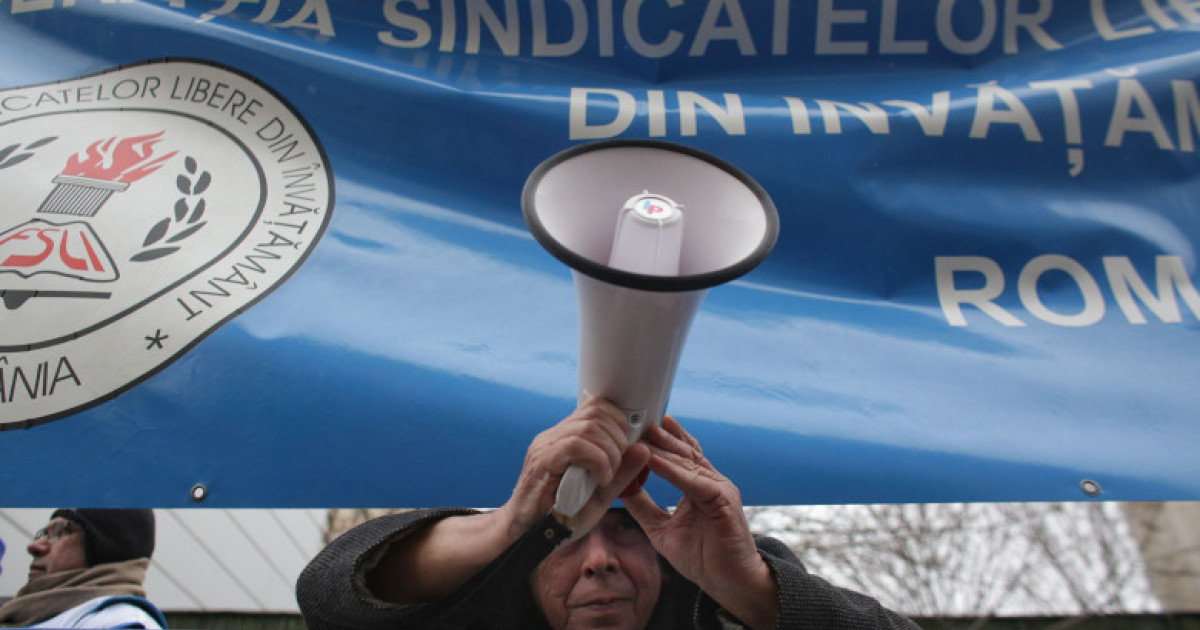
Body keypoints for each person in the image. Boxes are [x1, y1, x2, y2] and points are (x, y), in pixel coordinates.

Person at [297, 397, 921, 630]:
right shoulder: (483, 599)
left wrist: (751, 589)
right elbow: (328, 595)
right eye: (564, 536)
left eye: (627, 530)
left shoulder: (734, 598)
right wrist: (507, 525)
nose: (599, 562)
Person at [0, 509, 166, 629]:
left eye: (60, 531)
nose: (34, 546)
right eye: (42, 533)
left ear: (104, 549)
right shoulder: (31, 616)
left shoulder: (121, 622)